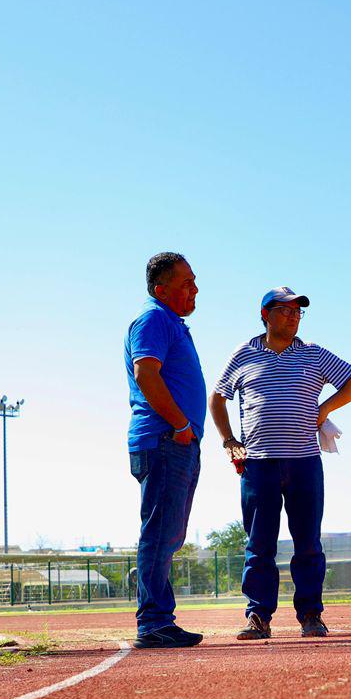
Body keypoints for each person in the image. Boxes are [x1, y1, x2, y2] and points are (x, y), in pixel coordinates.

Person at [209, 287, 351, 639]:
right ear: (265, 314)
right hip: (259, 465)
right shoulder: (244, 354)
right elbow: (218, 397)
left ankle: (311, 615)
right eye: (285, 310)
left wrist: (324, 408)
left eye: (298, 311)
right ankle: (258, 617)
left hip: (304, 462)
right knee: (259, 545)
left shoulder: (313, 354)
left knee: (308, 543)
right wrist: (229, 441)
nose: (294, 316)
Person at [124, 252, 206, 649]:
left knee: (168, 534)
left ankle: (159, 618)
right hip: (165, 441)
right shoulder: (154, 318)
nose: (195, 288)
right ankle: (154, 621)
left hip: (177, 442)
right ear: (162, 290)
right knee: (159, 533)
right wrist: (180, 425)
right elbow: (146, 373)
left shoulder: (171, 322)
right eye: (186, 282)